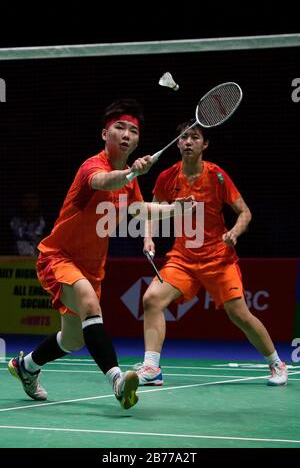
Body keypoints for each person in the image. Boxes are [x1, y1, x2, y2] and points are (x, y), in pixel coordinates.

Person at [8, 99, 194, 410]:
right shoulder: (92, 167)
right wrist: (131, 174)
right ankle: (118, 382)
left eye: (133, 131)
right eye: (119, 128)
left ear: (137, 140)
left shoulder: (127, 181)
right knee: (90, 305)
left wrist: (175, 209)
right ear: (104, 134)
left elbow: (140, 211)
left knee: (72, 340)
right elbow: (102, 181)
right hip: (59, 256)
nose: (126, 135)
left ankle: (26, 367)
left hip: (93, 267)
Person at [136, 120, 288, 387]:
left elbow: (245, 212)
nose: (187, 142)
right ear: (178, 143)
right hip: (182, 258)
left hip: (218, 258)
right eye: (183, 137)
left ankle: (277, 362)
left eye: (194, 137)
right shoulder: (167, 177)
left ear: (204, 144)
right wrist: (148, 237)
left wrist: (234, 233)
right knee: (151, 300)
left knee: (239, 314)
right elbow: (151, 210)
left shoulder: (217, 175)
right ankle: (152, 368)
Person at [10, 191, 46, 255]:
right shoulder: (13, 222)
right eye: (26, 198)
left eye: (33, 198)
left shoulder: (44, 223)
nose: (29, 202)